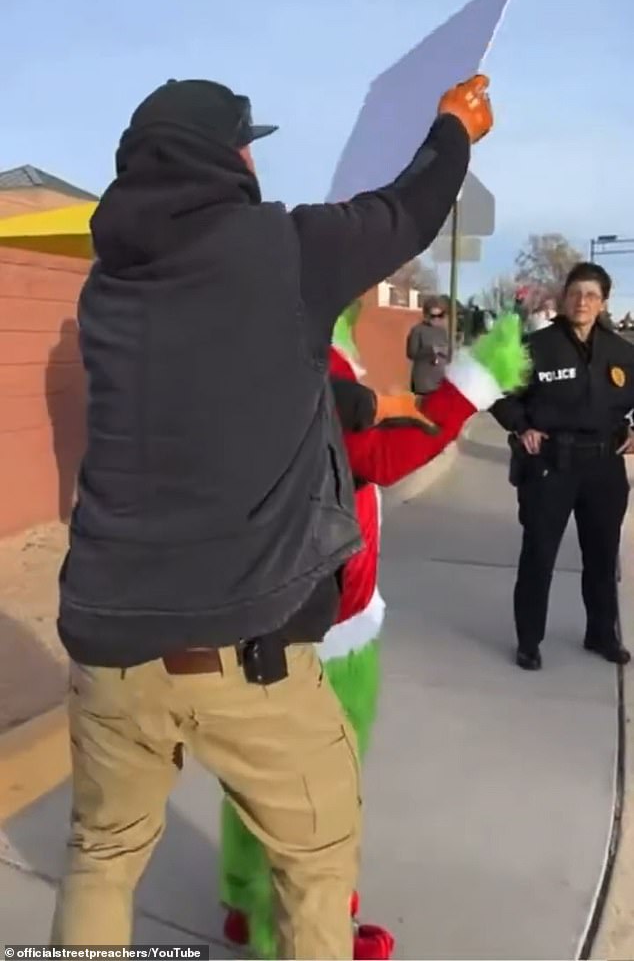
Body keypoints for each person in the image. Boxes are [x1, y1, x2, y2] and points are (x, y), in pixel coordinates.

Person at [51, 74, 493, 958]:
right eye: (247, 141)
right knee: (317, 858)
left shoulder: (108, 286)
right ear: (225, 155)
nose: (256, 157)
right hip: (243, 646)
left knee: (101, 858)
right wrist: (455, 129)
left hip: (106, 643)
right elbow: (406, 212)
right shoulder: (279, 248)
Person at [219, 307, 528, 960]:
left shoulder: (249, 345)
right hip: (326, 625)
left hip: (266, 607)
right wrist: (473, 385)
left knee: (257, 779)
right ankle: (306, 930)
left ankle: (248, 900)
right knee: (321, 798)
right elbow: (381, 455)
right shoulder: (312, 357)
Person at [491, 262, 634, 671]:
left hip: (604, 467)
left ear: (604, 302)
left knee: (603, 557)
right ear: (563, 298)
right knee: (539, 555)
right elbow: (500, 393)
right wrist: (521, 426)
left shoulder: (623, 352)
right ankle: (529, 642)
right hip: (551, 465)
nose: (582, 301)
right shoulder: (535, 347)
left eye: (591, 295)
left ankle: (602, 634)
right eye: (575, 293)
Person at [406, 296, 450, 396]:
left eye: (440, 315)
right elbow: (411, 353)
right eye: (433, 316)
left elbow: (449, 355)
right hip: (424, 381)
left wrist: (446, 351)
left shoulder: (442, 331)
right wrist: (430, 350)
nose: (437, 319)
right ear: (426, 315)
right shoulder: (417, 330)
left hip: (440, 380)